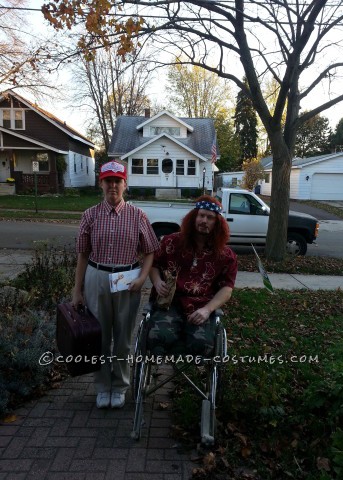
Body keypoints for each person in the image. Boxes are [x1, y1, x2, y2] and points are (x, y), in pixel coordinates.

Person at [72, 160, 159, 409]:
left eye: (117, 181)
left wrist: (142, 278)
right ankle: (103, 387)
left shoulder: (137, 215)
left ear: (125, 184)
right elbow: (83, 254)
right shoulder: (90, 215)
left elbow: (151, 250)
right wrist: (77, 289)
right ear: (101, 184)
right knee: (99, 337)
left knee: (122, 337)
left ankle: (119, 386)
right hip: (97, 276)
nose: (113, 186)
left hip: (127, 280)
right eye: (108, 181)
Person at [148, 195, 238, 356]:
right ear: (193, 217)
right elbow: (153, 264)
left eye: (210, 217)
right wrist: (156, 281)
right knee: (158, 338)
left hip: (200, 305)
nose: (204, 220)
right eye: (201, 215)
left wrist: (207, 310)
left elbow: (227, 288)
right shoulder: (171, 242)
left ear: (217, 223)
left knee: (201, 345)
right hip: (169, 301)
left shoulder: (226, 255)